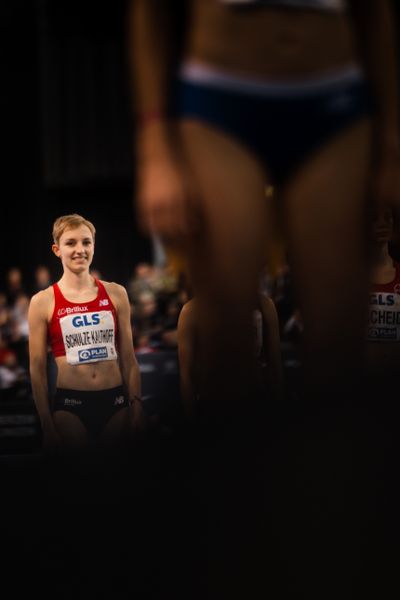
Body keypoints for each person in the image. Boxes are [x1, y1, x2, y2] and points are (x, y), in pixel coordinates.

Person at [28, 214, 143, 455]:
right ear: (56, 249)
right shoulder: (42, 301)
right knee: (79, 485)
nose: (80, 249)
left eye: (86, 242)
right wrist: (47, 426)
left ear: (93, 246)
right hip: (71, 407)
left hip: (116, 404)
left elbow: (129, 360)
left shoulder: (116, 293)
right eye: (71, 243)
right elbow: (37, 370)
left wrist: (137, 410)